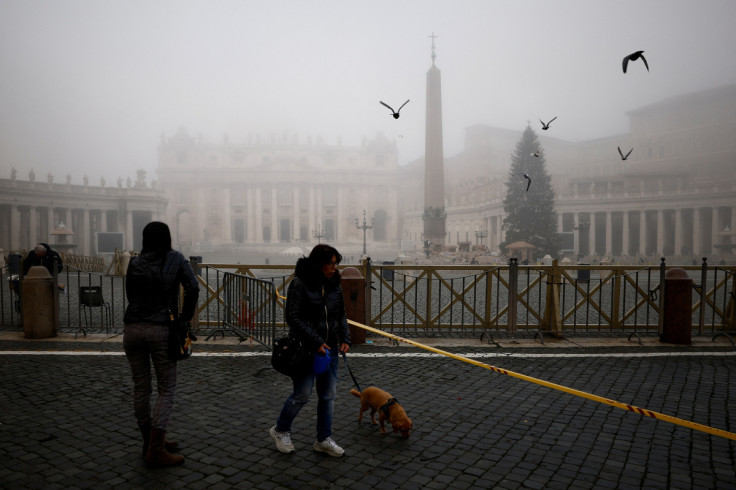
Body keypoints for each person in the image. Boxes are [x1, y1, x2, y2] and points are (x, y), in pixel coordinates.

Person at [123, 222, 199, 467]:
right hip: (161, 330)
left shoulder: (134, 261)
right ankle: (156, 448)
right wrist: (185, 318)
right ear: (167, 238)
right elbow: (193, 287)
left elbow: (131, 294)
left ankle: (149, 442)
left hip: (132, 328)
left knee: (141, 388)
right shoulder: (175, 258)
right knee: (166, 389)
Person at [270, 244, 352, 457]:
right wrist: (316, 341)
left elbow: (340, 314)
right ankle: (281, 430)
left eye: (336, 263)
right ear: (319, 263)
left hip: (330, 348)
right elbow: (293, 317)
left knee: (328, 395)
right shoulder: (300, 283)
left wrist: (345, 337)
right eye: (330, 263)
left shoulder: (335, 283)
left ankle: (323, 439)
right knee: (302, 394)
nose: (334, 267)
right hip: (307, 349)